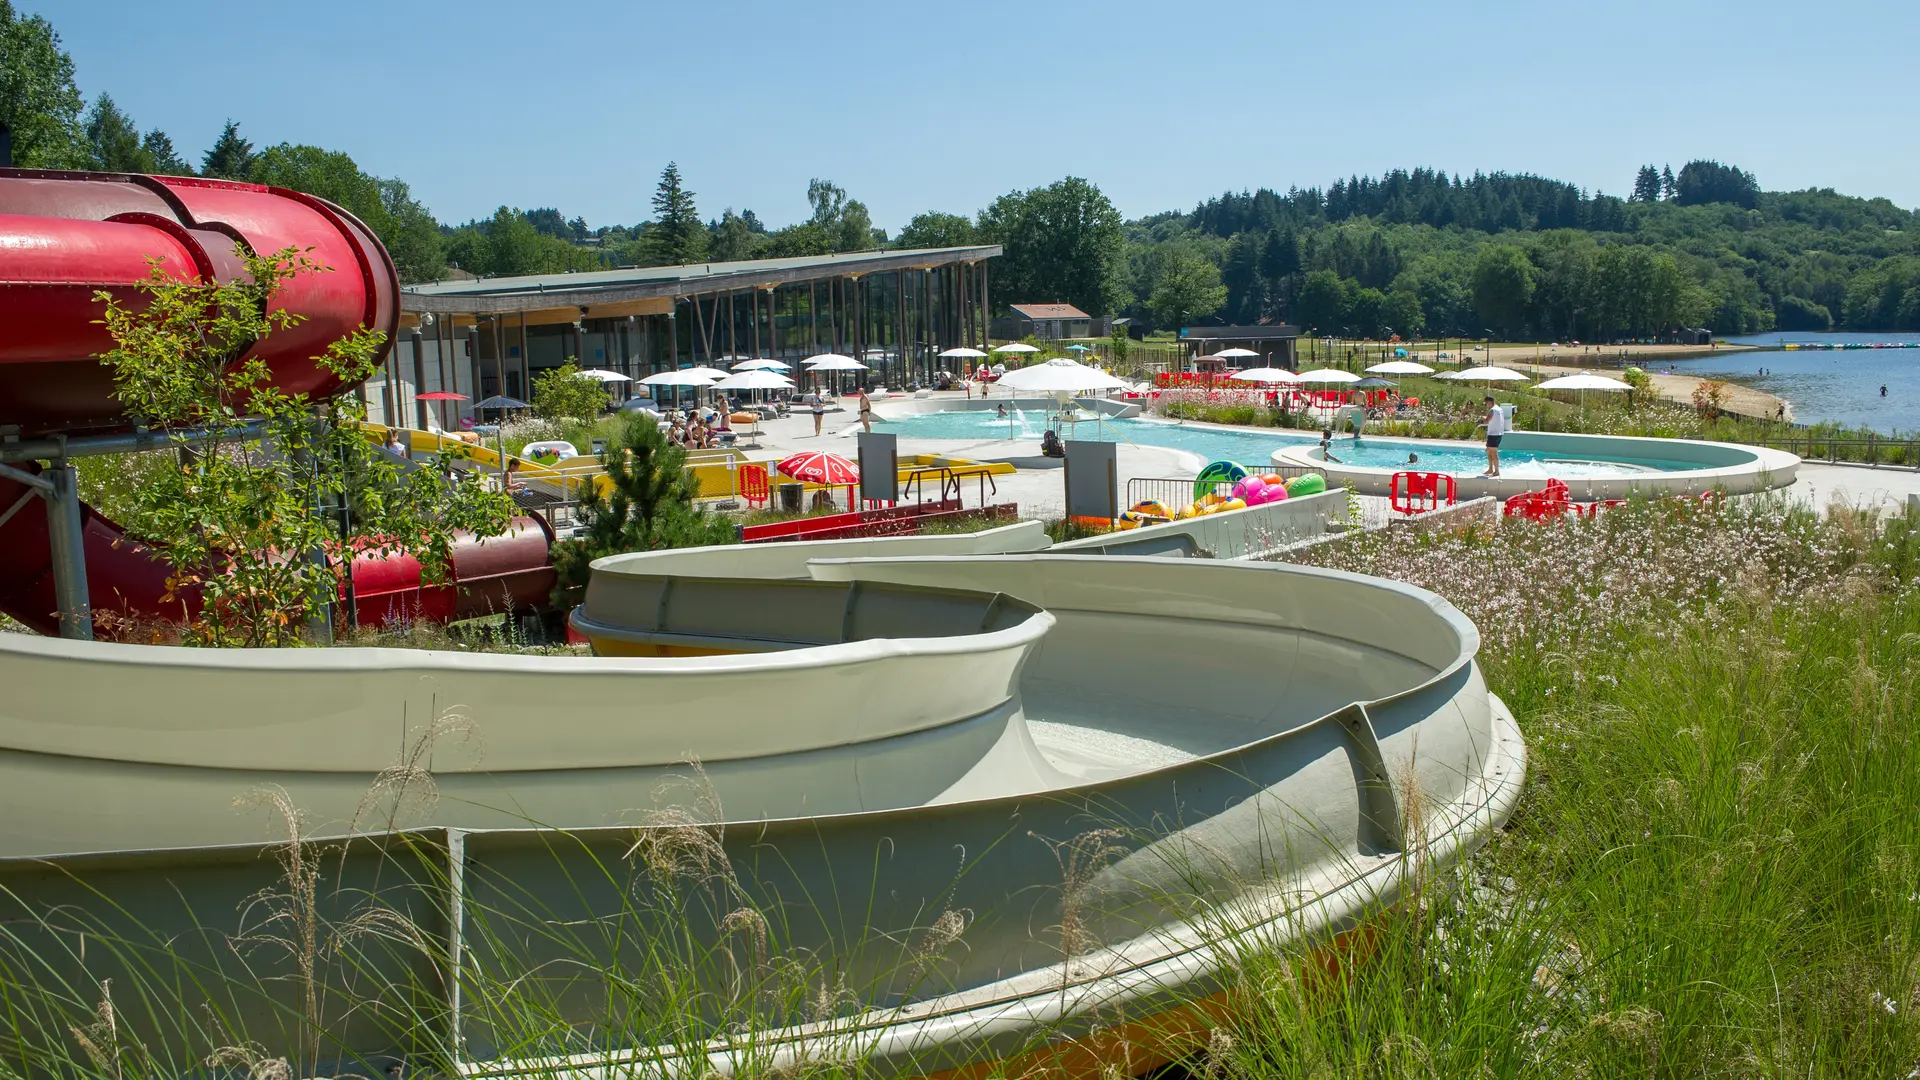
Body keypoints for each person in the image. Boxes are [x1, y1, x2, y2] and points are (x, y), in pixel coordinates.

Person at [1480, 395, 1507, 477]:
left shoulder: (1492, 410)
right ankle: (1490, 469)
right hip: (1498, 434)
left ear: (1489, 402)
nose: (1486, 405)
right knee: (1488, 451)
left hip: (1493, 434)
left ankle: (1497, 471)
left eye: (1486, 403)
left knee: (1493, 453)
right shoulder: (1499, 409)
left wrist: (1482, 418)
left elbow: (1487, 421)